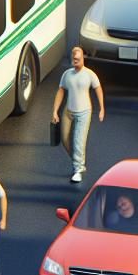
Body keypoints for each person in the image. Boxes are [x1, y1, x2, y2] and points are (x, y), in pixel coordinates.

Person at [51, 47, 105, 184]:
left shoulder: (90, 74)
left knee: (78, 141)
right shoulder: (66, 74)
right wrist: (55, 111)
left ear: (83, 59)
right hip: (68, 111)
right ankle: (78, 160)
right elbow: (61, 91)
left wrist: (101, 108)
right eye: (73, 59)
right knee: (64, 139)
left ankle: (78, 169)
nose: (75, 61)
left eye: (78, 59)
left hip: (84, 112)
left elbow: (98, 89)